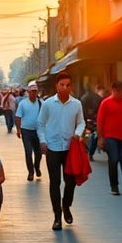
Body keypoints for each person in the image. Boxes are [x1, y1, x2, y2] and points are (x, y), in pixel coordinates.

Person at [37, 71, 85, 231]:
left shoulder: (76, 104)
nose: (65, 88)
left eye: (68, 85)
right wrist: (43, 141)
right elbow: (41, 124)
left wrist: (77, 134)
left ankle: (66, 205)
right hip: (52, 148)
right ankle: (57, 216)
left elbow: (81, 123)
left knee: (70, 181)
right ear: (56, 86)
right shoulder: (48, 104)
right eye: (62, 85)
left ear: (71, 86)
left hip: (70, 149)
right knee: (55, 182)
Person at [97, 80, 122, 196]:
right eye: (117, 90)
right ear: (113, 90)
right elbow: (100, 121)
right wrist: (100, 138)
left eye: (121, 90)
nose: (120, 93)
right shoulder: (105, 103)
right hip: (110, 137)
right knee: (113, 160)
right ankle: (114, 186)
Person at [14, 82, 44, 181]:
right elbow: (18, 116)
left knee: (38, 153)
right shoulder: (23, 103)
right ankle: (31, 172)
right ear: (28, 92)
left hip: (38, 131)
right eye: (32, 91)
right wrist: (18, 129)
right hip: (26, 131)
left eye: (35, 91)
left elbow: (46, 116)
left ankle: (37, 167)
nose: (34, 93)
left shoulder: (41, 103)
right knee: (28, 152)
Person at [80, 84, 105, 160]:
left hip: (85, 119)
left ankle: (85, 151)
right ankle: (90, 153)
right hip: (95, 119)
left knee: (84, 136)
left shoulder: (83, 98)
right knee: (94, 136)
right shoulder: (98, 98)